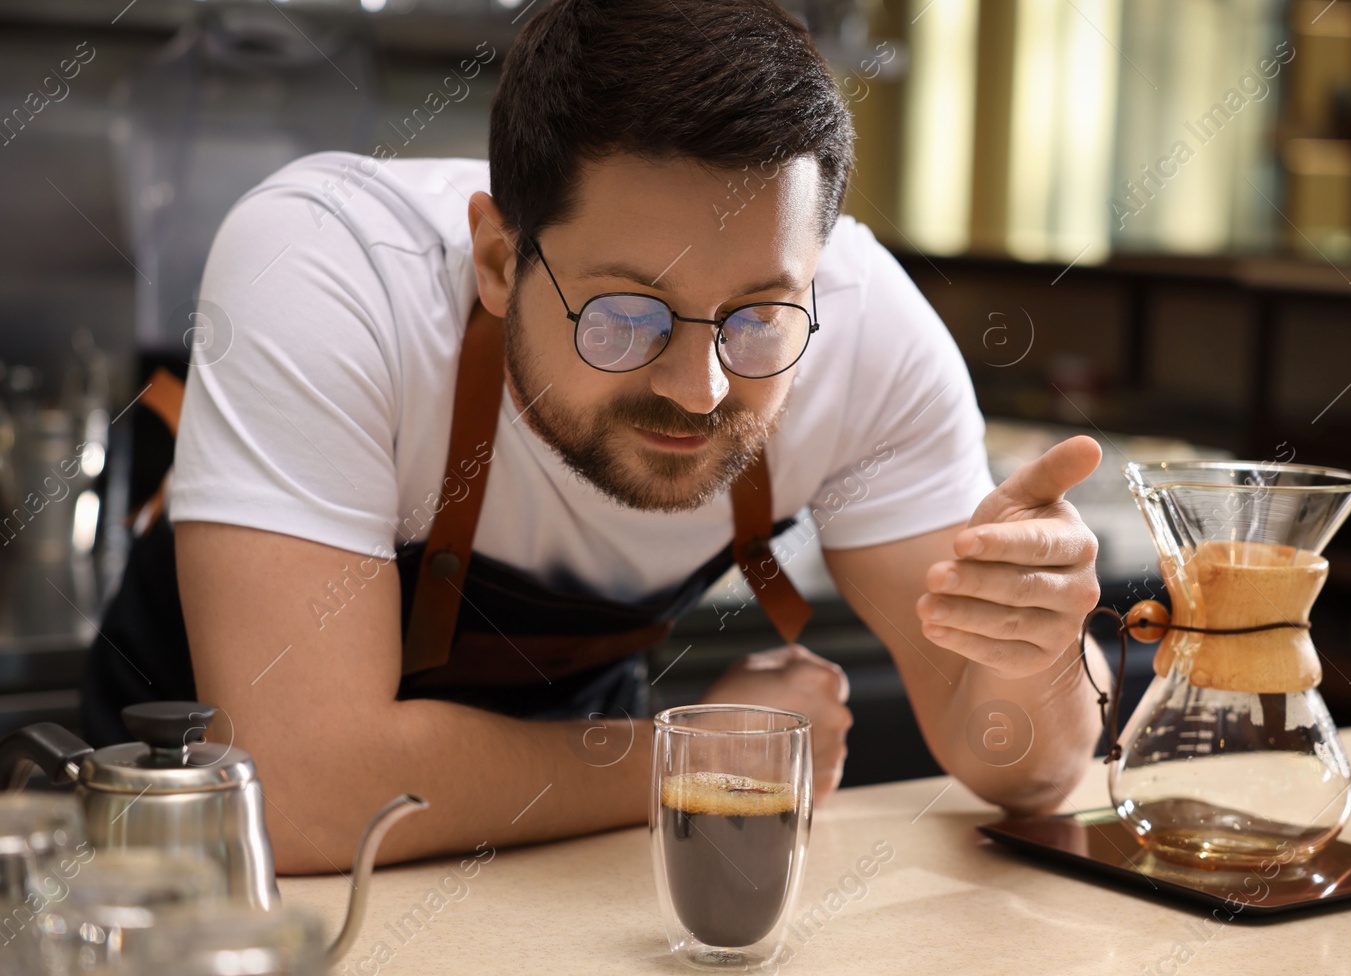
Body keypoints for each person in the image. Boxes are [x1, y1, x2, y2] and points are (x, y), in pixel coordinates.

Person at [82, 0, 1108, 874]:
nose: (699, 389)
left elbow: (1026, 765)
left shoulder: (865, 328)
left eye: (756, 316)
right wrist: (693, 759)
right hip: (186, 869)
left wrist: (1035, 648)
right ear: (495, 258)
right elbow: (299, 789)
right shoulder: (327, 265)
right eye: (625, 316)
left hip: (567, 865)